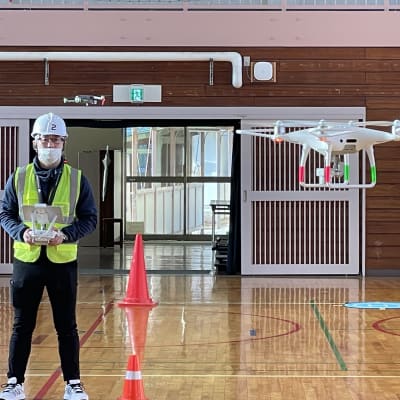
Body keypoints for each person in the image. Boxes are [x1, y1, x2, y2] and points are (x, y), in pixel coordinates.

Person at [0, 113, 97, 400]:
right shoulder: (18, 177)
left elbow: (89, 219)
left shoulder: (78, 179)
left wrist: (65, 235)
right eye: (45, 139)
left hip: (62, 263)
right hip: (27, 261)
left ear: (64, 142)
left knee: (66, 326)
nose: (50, 144)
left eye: (56, 139)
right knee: (22, 325)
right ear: (35, 142)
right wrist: (22, 232)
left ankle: (73, 383)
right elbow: (5, 214)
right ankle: (14, 381)